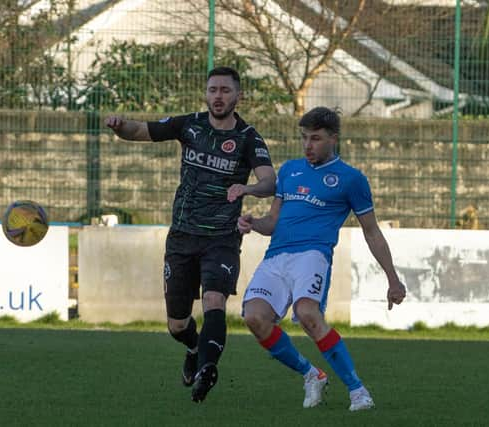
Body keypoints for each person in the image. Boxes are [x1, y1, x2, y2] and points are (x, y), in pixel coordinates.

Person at [105, 66, 276, 403]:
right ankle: (195, 349)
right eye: (213, 90)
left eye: (225, 90)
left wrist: (249, 188)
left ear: (238, 96)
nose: (218, 96)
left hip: (222, 237)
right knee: (177, 325)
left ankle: (208, 370)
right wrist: (119, 126)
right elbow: (141, 130)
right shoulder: (189, 124)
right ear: (206, 94)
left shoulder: (248, 137)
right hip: (183, 236)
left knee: (215, 300)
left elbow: (270, 179)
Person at [237, 106, 406, 411]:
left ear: (333, 138)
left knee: (308, 315)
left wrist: (392, 278)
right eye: (304, 138)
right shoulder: (289, 170)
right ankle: (311, 374)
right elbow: (272, 221)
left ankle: (358, 391)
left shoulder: (351, 179)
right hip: (276, 256)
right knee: (254, 318)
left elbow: (372, 232)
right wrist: (253, 223)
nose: (307, 145)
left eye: (315, 138)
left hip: (312, 255)